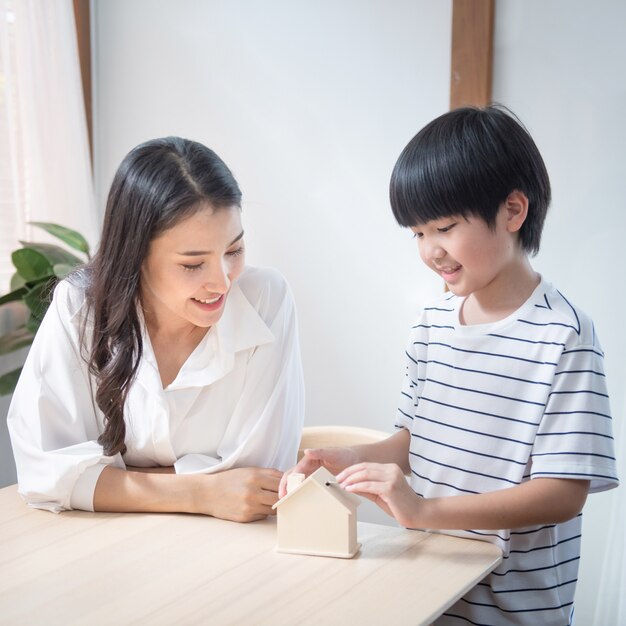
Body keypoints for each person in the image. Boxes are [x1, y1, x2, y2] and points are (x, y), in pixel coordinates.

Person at [280, 106, 618, 624]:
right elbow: (417, 438)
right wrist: (345, 457)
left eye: (443, 227)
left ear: (512, 210)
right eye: (417, 234)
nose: (429, 251)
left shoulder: (565, 334)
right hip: (431, 592)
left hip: (515, 610)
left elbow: (564, 493)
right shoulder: (433, 323)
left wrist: (423, 512)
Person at [8, 136, 304, 523]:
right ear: (136, 257)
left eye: (233, 251)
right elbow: (44, 474)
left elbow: (252, 483)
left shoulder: (266, 299)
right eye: (192, 264)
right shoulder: (78, 307)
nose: (223, 281)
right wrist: (202, 491)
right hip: (102, 544)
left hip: (228, 549)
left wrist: (113, 481)